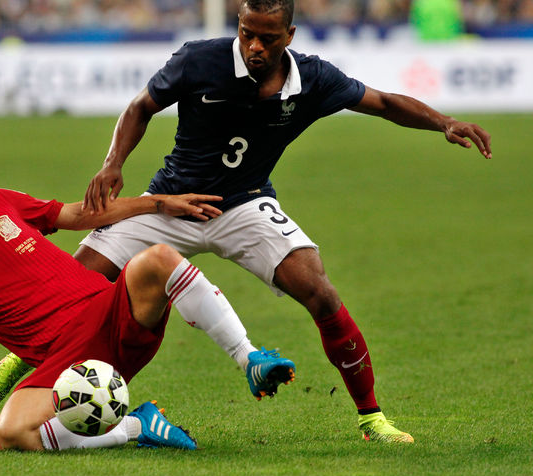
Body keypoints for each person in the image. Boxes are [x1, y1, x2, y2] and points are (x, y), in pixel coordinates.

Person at [71, 0, 493, 444]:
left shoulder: (313, 78)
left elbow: (384, 103)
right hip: (171, 202)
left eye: (267, 38)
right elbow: (141, 106)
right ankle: (27, 369)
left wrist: (444, 122)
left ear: (289, 36)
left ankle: (372, 419)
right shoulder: (199, 59)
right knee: (74, 282)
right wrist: (112, 162)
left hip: (245, 204)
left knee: (321, 293)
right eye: (246, 33)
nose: (254, 46)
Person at [0, 173, 292, 451]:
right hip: (67, 367)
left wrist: (159, 203)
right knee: (10, 433)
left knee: (159, 257)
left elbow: (77, 215)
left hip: (110, 312)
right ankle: (137, 427)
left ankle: (248, 358)